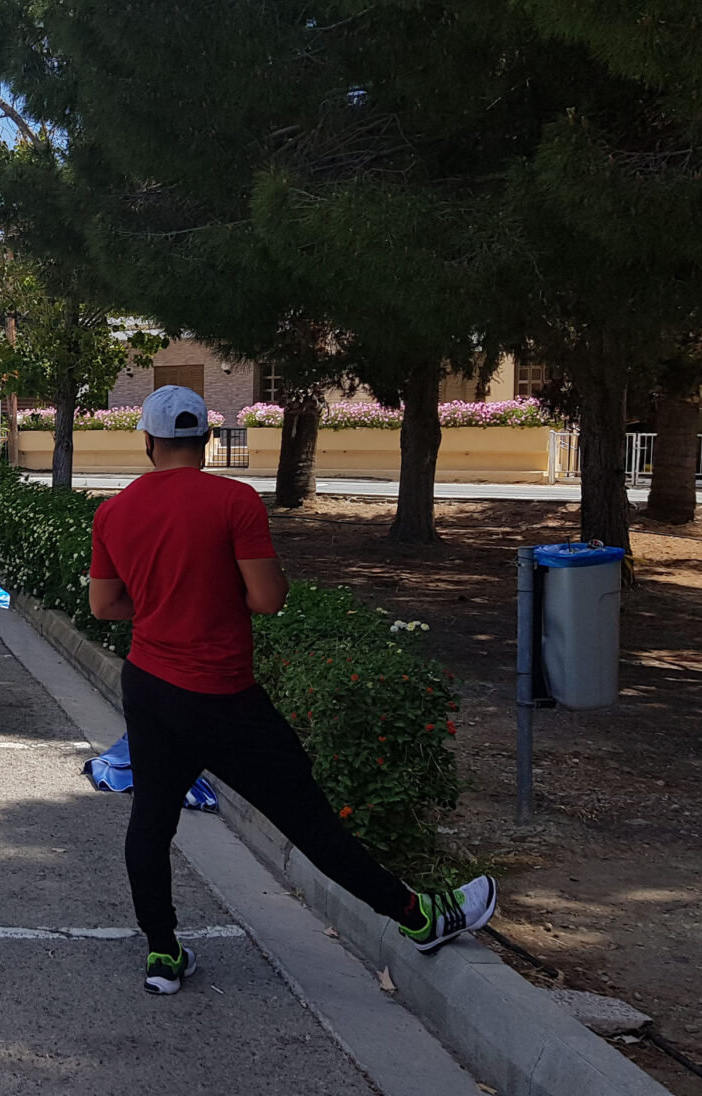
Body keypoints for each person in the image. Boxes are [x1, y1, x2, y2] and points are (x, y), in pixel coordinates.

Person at [88, 385, 496, 995]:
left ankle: (164, 954)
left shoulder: (113, 512)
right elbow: (268, 599)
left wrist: (161, 604)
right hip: (223, 694)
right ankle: (420, 918)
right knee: (307, 818)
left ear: (148, 441)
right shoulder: (235, 500)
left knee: (151, 820)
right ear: (205, 440)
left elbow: (104, 605)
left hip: (149, 685)